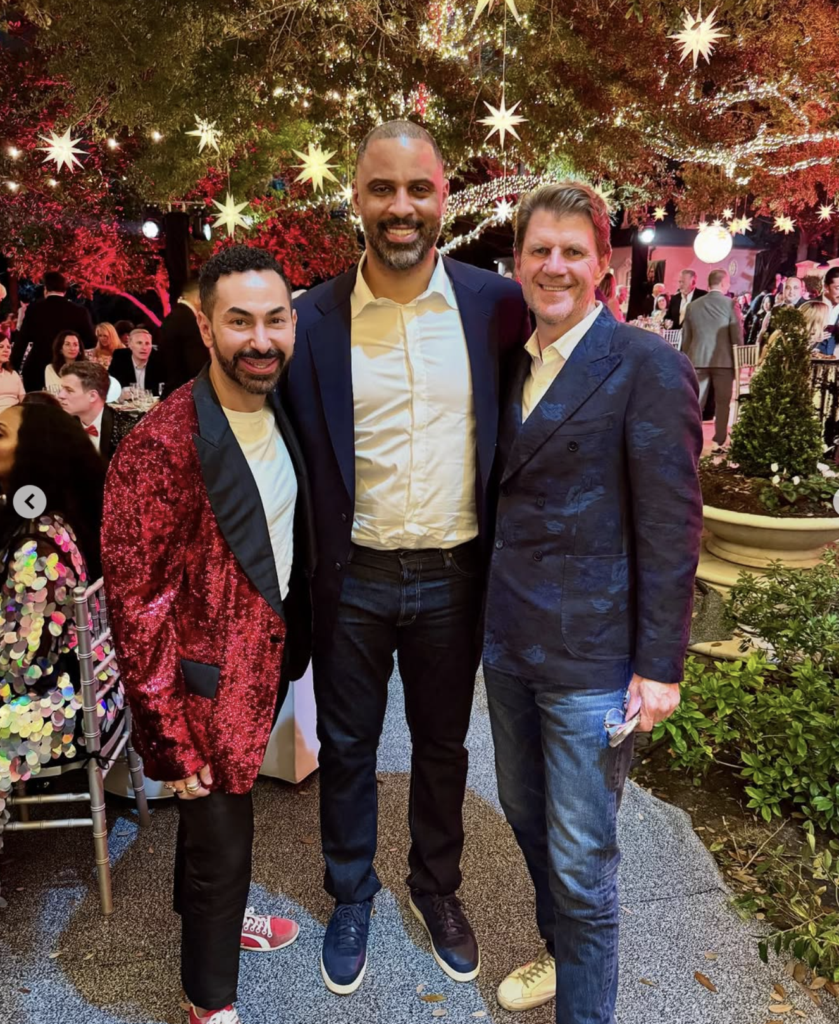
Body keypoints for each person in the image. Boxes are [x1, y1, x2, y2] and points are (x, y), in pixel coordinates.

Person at [284, 120, 531, 996]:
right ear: (354, 199)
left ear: (443, 198)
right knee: (347, 748)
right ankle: (351, 890)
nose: (400, 208)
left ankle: (437, 888)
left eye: (417, 190)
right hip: (350, 576)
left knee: (442, 746)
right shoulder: (309, 318)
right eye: (381, 189)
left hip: (456, 572)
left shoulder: (495, 306)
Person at [482, 181, 703, 1023]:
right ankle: (560, 949)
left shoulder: (647, 366)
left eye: (574, 251)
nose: (555, 265)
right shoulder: (512, 364)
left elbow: (671, 528)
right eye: (540, 249)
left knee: (583, 861)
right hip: (508, 645)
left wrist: (659, 666)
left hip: (593, 661)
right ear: (517, 263)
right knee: (524, 815)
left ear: (604, 268)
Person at [101, 245, 314, 1024]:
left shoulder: (279, 407)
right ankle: (208, 1002)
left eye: (274, 320)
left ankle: (211, 932)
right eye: (239, 322)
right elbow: (137, 605)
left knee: (213, 830)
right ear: (205, 324)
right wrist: (169, 744)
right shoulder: (159, 447)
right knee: (223, 842)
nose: (260, 340)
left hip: (259, 671)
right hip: (199, 692)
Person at [0, 403, 115, 849]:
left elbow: (21, 669)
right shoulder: (52, 521)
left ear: (33, 454)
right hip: (92, 689)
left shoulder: (37, 549)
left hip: (70, 707)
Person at [682, 269, 743, 453]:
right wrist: (739, 359)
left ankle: (690, 438)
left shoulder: (693, 306)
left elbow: (686, 337)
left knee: (695, 402)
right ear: (724, 284)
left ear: (709, 284)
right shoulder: (731, 304)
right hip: (724, 361)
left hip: (697, 359)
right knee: (723, 402)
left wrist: (686, 359)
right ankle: (719, 439)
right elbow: (737, 335)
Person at [11, 271, 96, 392]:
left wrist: (13, 367)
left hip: (37, 367)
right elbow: (91, 341)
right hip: (68, 369)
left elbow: (22, 341)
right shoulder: (79, 311)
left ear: (45, 289)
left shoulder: (35, 309)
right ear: (65, 291)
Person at [58, 360, 135, 462]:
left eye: (69, 390)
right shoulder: (62, 426)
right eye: (62, 389)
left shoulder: (126, 431)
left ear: (92, 396)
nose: (60, 396)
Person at [159, 277, 210, 397]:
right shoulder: (190, 322)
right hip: (187, 395)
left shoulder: (172, 317)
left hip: (172, 392)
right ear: (198, 298)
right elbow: (196, 366)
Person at [109, 326, 165, 396]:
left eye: (147, 343)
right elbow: (110, 385)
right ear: (129, 345)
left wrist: (145, 394)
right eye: (139, 343)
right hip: (127, 405)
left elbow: (165, 389)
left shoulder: (159, 359)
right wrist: (120, 393)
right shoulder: (120, 357)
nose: (144, 348)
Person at [0, 335, 25, 411]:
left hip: (16, 415)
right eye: (1, 347)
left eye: (8, 347)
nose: (6, 350)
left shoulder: (13, 374)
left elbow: (23, 399)